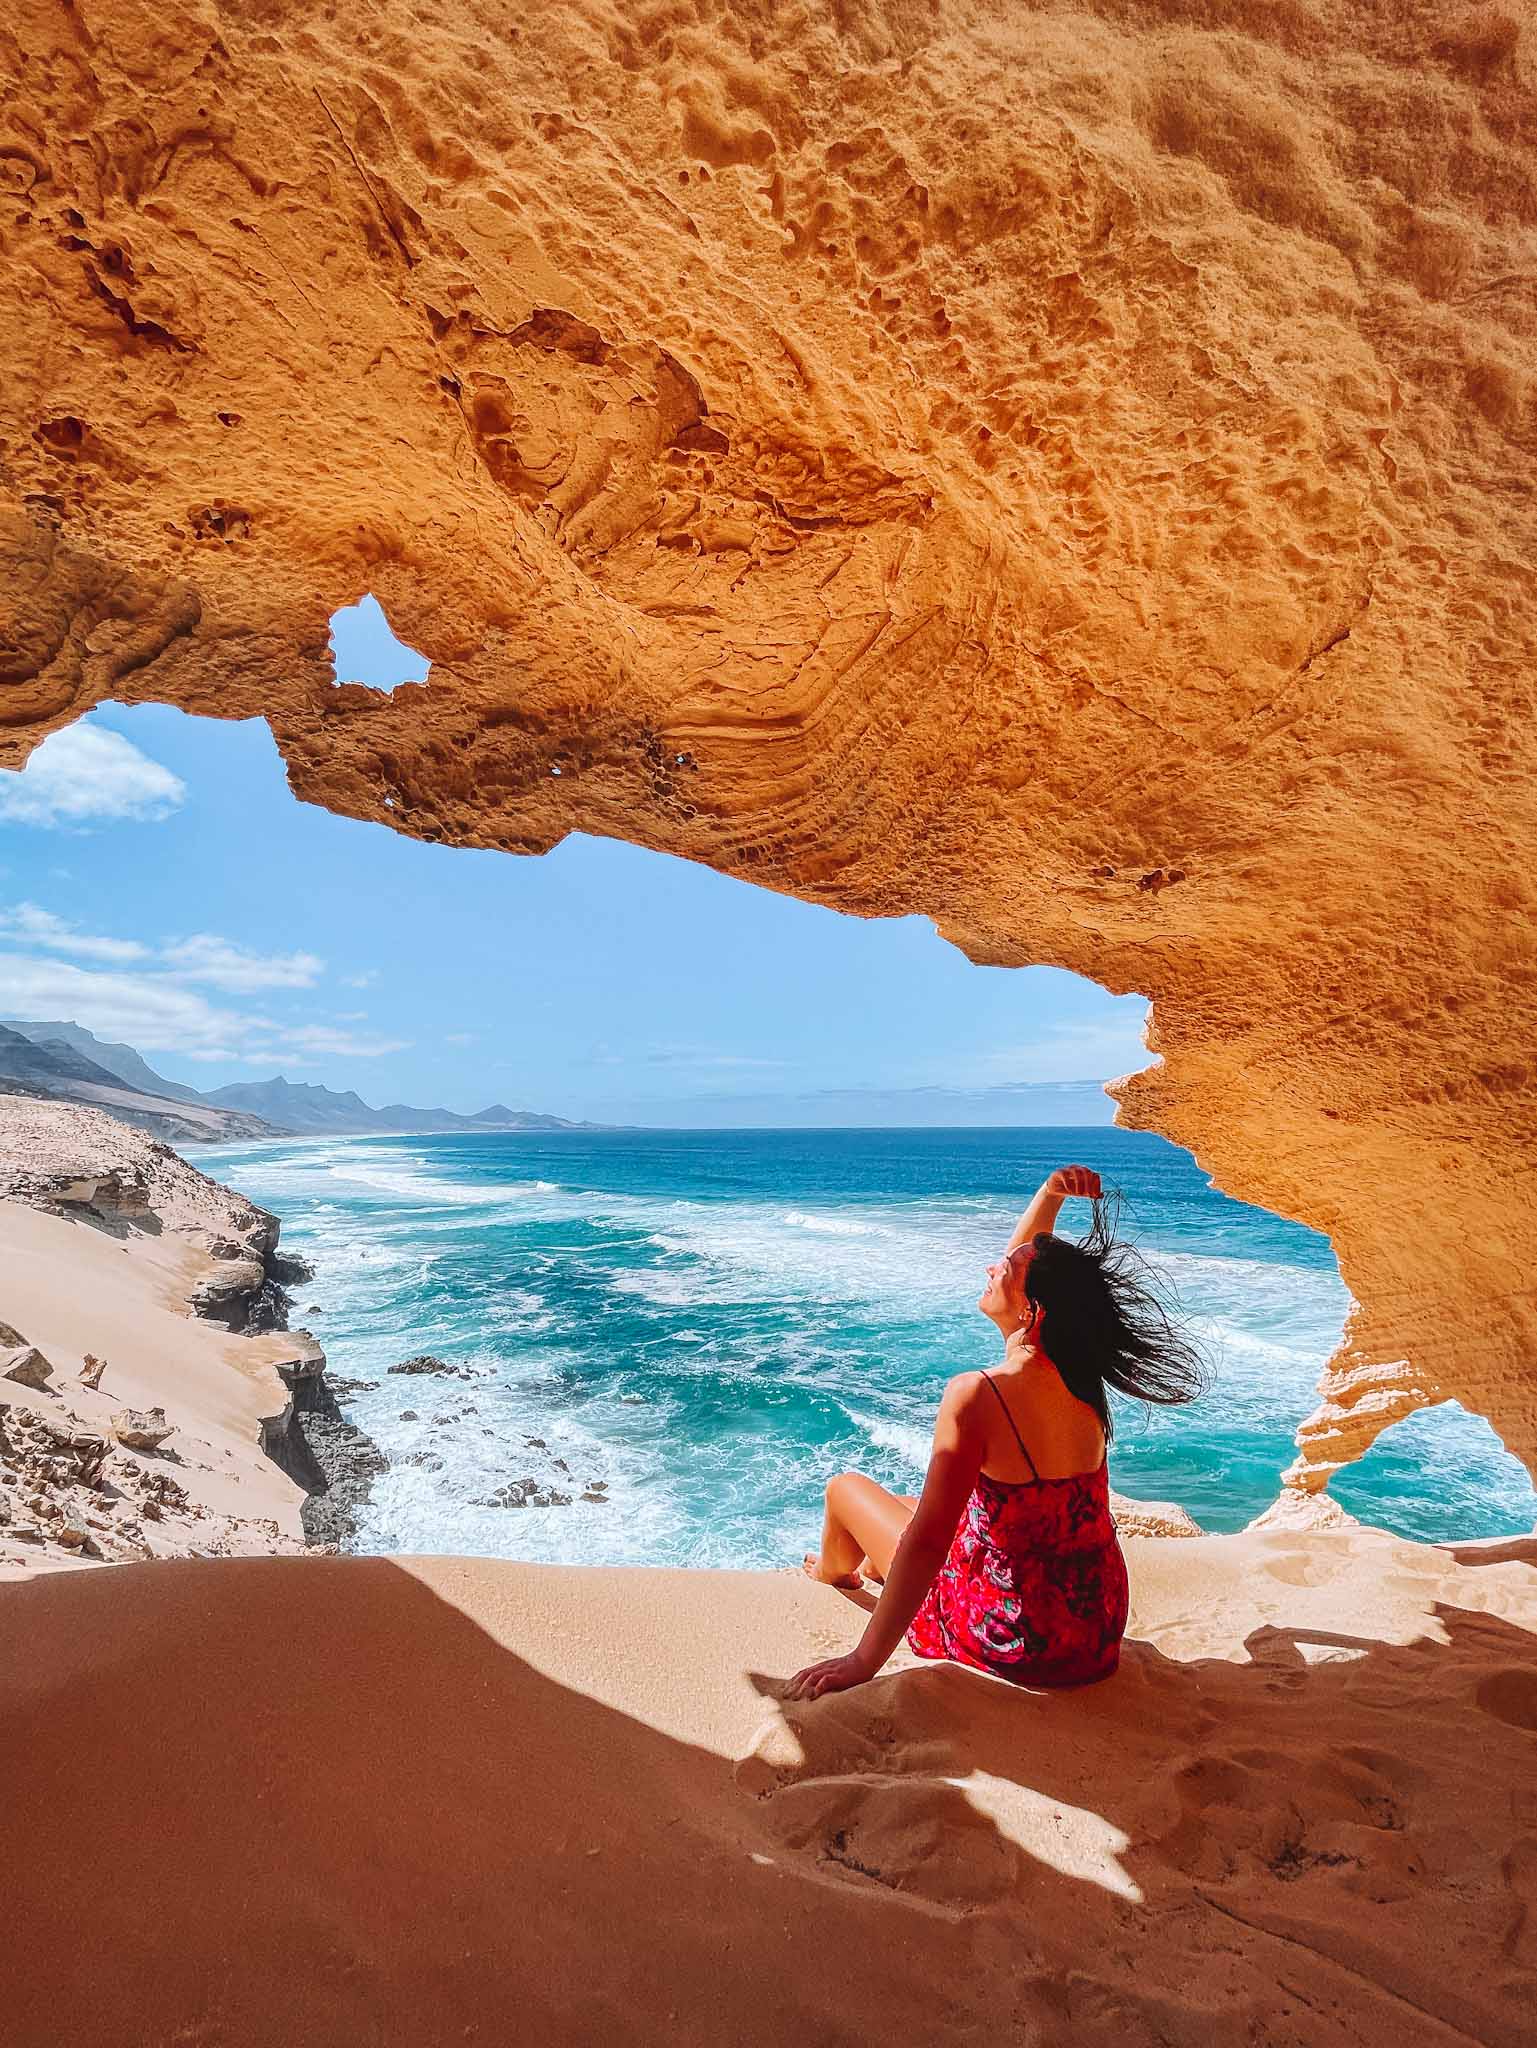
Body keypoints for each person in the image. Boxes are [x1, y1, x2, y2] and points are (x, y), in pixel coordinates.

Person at [789, 1164, 1205, 1701]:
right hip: (1092, 1629)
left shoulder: (978, 1394)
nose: (991, 1267)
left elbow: (930, 1543)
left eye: (1003, 1269)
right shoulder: (1080, 1368)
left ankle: (831, 1573)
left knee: (845, 1489)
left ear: (1032, 1312)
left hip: (1014, 1634)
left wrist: (863, 1661)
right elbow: (1031, 1271)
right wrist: (1049, 1194)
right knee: (910, 1500)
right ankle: (867, 1562)